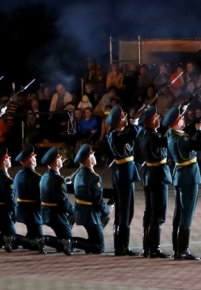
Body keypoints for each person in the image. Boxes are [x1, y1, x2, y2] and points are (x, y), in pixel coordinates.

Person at [164, 107, 201, 260]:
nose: (183, 120)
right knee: (187, 213)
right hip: (189, 175)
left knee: (179, 213)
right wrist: (200, 130)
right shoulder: (181, 138)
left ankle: (177, 248)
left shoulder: (172, 136)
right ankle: (183, 250)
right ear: (176, 122)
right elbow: (200, 146)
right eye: (180, 119)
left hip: (179, 174)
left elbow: (185, 133)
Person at [136, 106, 172, 258]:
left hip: (149, 175)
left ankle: (147, 247)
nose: (159, 120)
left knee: (149, 212)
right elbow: (169, 142)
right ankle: (154, 248)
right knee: (158, 213)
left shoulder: (143, 135)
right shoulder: (154, 137)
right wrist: (171, 125)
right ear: (151, 121)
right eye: (156, 118)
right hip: (158, 175)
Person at [104, 106, 140, 256]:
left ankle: (121, 244)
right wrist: (135, 123)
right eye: (124, 118)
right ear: (119, 121)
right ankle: (121, 246)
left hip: (126, 174)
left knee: (126, 212)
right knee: (124, 212)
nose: (126, 120)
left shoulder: (119, 133)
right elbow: (133, 134)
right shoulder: (115, 135)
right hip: (123, 175)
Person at [71, 143, 111, 254]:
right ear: (88, 159)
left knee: (104, 221)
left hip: (81, 211)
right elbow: (97, 201)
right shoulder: (94, 177)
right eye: (92, 155)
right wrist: (107, 209)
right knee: (99, 247)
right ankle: (70, 242)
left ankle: (87, 242)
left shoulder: (80, 174)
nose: (94, 156)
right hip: (90, 215)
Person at [11, 146, 49, 253]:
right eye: (33, 158)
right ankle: (14, 239)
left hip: (22, 209)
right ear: (30, 161)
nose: (35, 160)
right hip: (33, 212)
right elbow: (42, 194)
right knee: (38, 242)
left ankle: (19, 240)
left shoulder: (18, 174)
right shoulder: (36, 177)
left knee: (32, 233)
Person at [38, 147, 75, 255]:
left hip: (46, 212)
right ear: (55, 161)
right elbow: (63, 202)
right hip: (56, 214)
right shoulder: (59, 179)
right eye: (59, 157)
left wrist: (64, 182)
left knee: (63, 239)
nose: (62, 159)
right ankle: (44, 240)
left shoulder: (45, 176)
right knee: (69, 242)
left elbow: (53, 189)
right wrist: (74, 210)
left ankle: (46, 240)